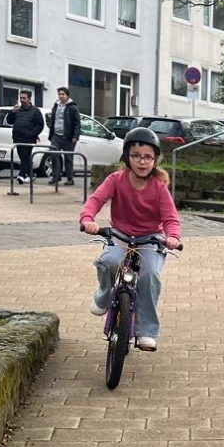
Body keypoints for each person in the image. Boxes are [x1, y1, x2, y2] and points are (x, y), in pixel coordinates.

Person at [80, 127, 181, 351]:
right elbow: (95, 200)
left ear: (155, 160)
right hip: (121, 234)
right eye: (136, 156)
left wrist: (172, 236)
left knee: (150, 275)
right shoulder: (116, 179)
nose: (142, 162)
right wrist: (88, 219)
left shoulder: (159, 187)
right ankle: (104, 295)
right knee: (109, 262)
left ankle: (146, 331)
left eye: (148, 157)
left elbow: (171, 218)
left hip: (150, 239)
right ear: (127, 157)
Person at [6, 89, 44, 186]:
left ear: (29, 99)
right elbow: (9, 121)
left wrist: (33, 134)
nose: (22, 100)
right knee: (24, 157)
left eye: (24, 98)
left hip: (29, 139)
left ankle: (21, 175)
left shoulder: (35, 111)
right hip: (18, 138)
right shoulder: (17, 110)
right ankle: (30, 175)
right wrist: (11, 112)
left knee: (24, 156)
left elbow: (40, 125)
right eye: (21, 98)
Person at [47, 87, 81, 187]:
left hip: (68, 137)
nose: (61, 96)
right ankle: (56, 176)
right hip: (56, 136)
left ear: (67, 96)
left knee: (68, 158)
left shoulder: (73, 108)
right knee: (53, 155)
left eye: (63, 94)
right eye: (59, 94)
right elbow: (52, 119)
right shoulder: (56, 106)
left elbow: (77, 123)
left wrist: (75, 136)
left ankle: (70, 178)